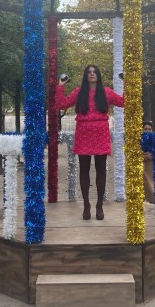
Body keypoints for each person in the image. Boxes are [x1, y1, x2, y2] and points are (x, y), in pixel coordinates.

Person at [56, 65, 124, 220]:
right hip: (83, 133)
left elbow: (123, 102)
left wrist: (127, 84)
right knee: (84, 169)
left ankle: (99, 205)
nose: (92, 74)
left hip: (100, 133)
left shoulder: (106, 92)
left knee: (101, 169)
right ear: (86, 76)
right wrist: (60, 86)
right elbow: (61, 104)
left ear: (98, 75)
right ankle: (86, 204)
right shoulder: (79, 92)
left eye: (94, 72)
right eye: (89, 72)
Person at [143, 121, 155, 204]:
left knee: (151, 187)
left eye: (149, 129)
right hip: (142, 166)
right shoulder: (138, 140)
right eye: (145, 129)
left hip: (152, 167)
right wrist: (144, 156)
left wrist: (152, 154)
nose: (147, 131)